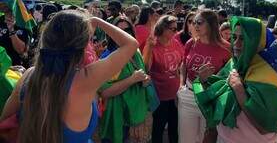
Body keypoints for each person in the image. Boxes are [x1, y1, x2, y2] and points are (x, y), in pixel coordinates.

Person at [0, 10, 138, 143]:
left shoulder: (29, 75)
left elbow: (4, 122)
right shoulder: (87, 79)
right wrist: (96, 21)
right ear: (84, 45)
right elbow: (131, 44)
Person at [193, 16, 277, 143]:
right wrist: (204, 82)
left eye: (244, 39)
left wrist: (239, 90)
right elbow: (216, 101)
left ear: (256, 42)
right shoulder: (233, 64)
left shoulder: (271, 79)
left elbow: (265, 127)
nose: (236, 44)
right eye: (234, 37)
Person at [178, 9, 231, 143]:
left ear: (211, 24)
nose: (195, 25)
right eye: (194, 22)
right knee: (185, 139)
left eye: (199, 22)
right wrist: (181, 85)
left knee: (205, 138)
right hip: (188, 95)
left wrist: (211, 79)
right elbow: (183, 65)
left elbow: (230, 76)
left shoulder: (226, 48)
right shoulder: (191, 43)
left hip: (211, 99)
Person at [98, 16, 152, 143]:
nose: (122, 33)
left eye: (127, 30)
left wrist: (144, 80)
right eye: (117, 29)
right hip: (116, 117)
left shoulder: (135, 52)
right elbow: (105, 92)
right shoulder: (108, 57)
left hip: (131, 114)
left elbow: (142, 73)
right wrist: (132, 79)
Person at [143, 15, 184, 143]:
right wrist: (149, 47)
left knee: (174, 127)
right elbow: (146, 67)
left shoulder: (176, 43)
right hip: (160, 95)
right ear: (163, 28)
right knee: (158, 128)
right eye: (172, 29)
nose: (175, 32)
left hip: (176, 94)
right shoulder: (152, 44)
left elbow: (181, 62)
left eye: (176, 29)